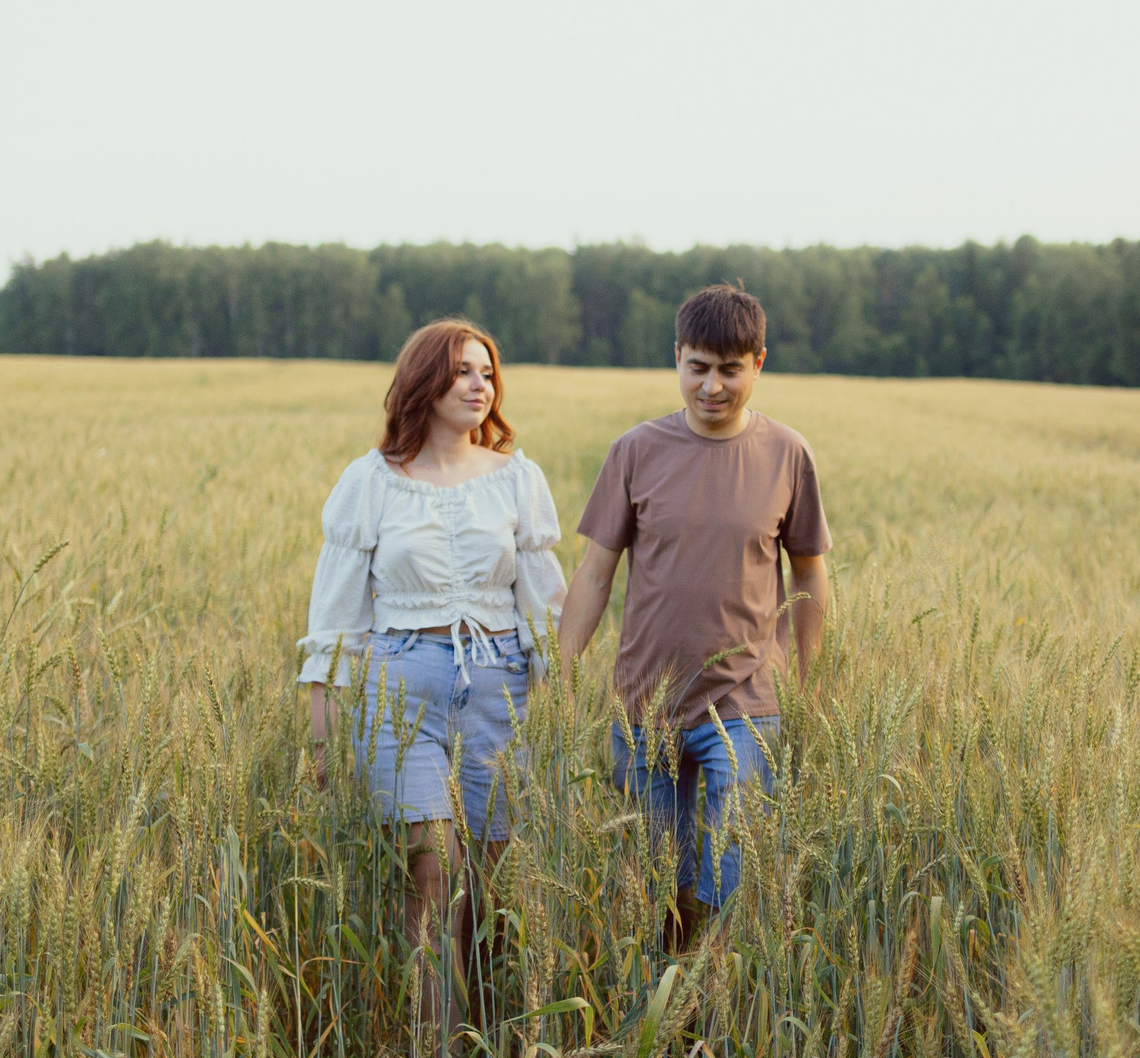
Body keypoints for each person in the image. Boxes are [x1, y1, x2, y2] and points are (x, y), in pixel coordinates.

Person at [297, 319, 568, 1015]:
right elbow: (334, 625)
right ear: (424, 381)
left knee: (490, 887)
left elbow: (545, 611)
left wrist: (561, 712)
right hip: (401, 686)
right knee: (432, 872)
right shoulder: (371, 482)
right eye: (463, 371)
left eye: (488, 373)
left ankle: (490, 1044)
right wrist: (322, 737)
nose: (481, 386)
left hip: (500, 687)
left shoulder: (517, 479)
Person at [559, 284, 829, 949]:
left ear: (758, 363)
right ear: (676, 357)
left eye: (729, 370)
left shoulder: (787, 453)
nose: (711, 386)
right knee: (658, 886)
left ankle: (715, 992)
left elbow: (809, 575)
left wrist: (810, 683)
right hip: (644, 701)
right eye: (697, 367)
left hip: (746, 702)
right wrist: (561, 674)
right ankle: (667, 997)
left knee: (731, 877)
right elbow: (595, 573)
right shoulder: (635, 450)